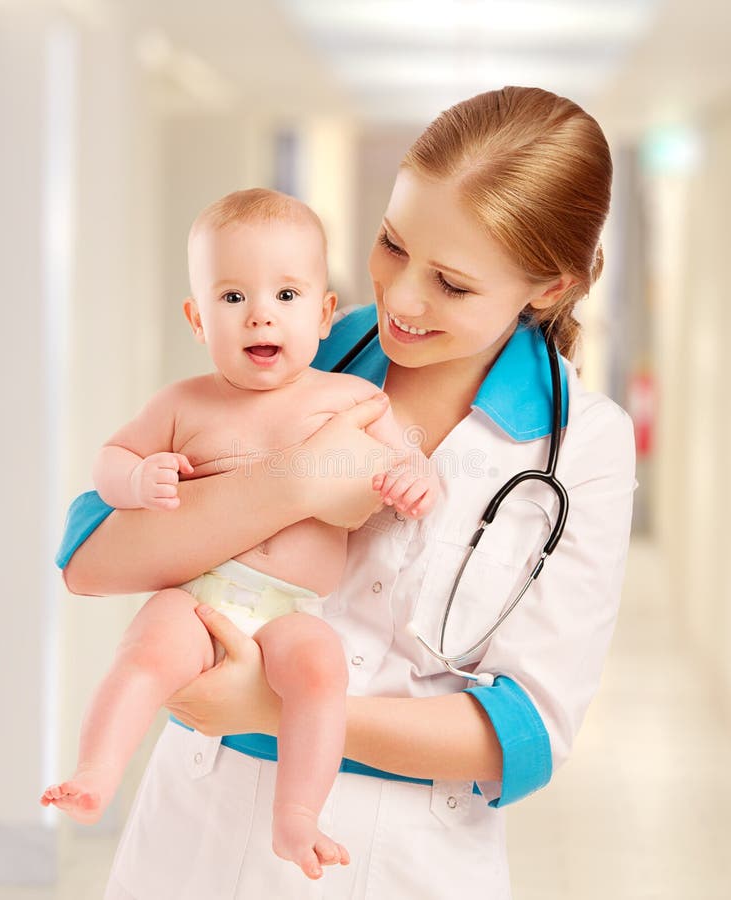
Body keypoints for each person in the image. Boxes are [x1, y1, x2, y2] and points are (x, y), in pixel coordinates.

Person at [57, 86, 636, 899]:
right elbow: (91, 556)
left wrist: (267, 710)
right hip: (194, 819)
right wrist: (295, 479)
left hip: (402, 855)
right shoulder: (299, 338)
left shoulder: (583, 444)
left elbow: (528, 735)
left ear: (547, 287)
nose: (401, 299)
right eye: (392, 244)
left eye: (453, 284)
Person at [42, 188, 438, 881]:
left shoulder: (351, 398)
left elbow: (407, 457)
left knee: (321, 676)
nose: (260, 312)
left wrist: (417, 480)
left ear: (323, 314)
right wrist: (138, 483)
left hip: (292, 608)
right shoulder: (183, 403)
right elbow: (112, 460)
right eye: (232, 298)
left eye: (286, 295)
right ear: (198, 319)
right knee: (146, 656)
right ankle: (96, 776)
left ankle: (298, 816)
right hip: (201, 592)